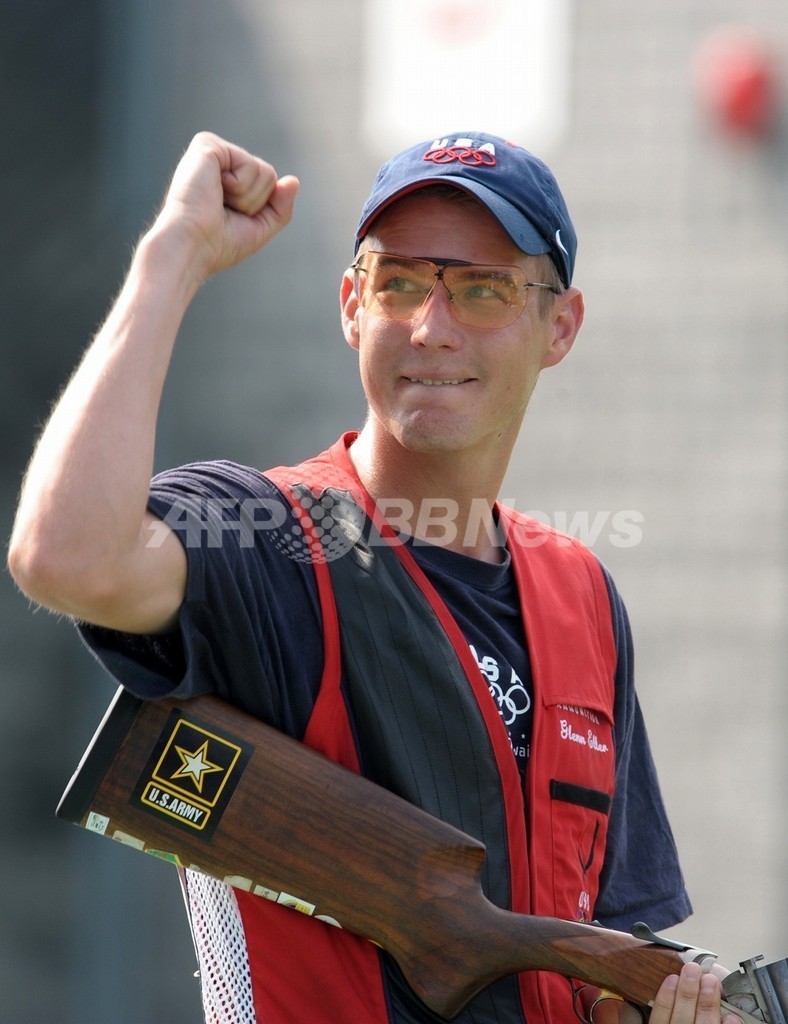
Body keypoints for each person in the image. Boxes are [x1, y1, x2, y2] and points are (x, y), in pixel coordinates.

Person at [7, 130, 739, 1024]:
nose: (433, 326)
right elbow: (64, 556)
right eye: (399, 283)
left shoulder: (582, 594)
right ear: (353, 303)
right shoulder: (267, 538)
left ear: (560, 327)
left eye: (483, 289)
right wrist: (174, 256)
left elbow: (610, 951)